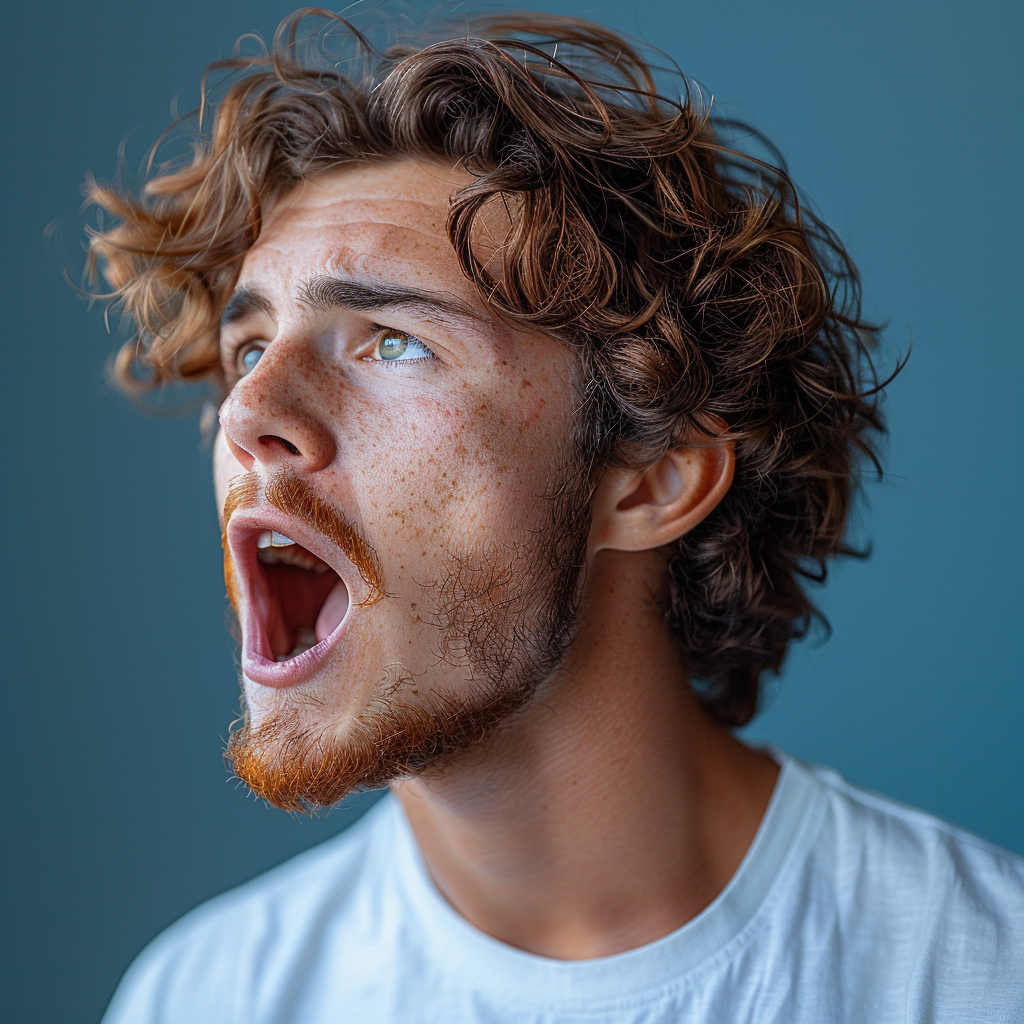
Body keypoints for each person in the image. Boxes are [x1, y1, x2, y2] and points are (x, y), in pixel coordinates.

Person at [87, 9, 1023, 1022]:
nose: (248, 412)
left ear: (653, 478)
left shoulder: (975, 974)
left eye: (391, 341)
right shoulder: (203, 997)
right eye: (248, 348)